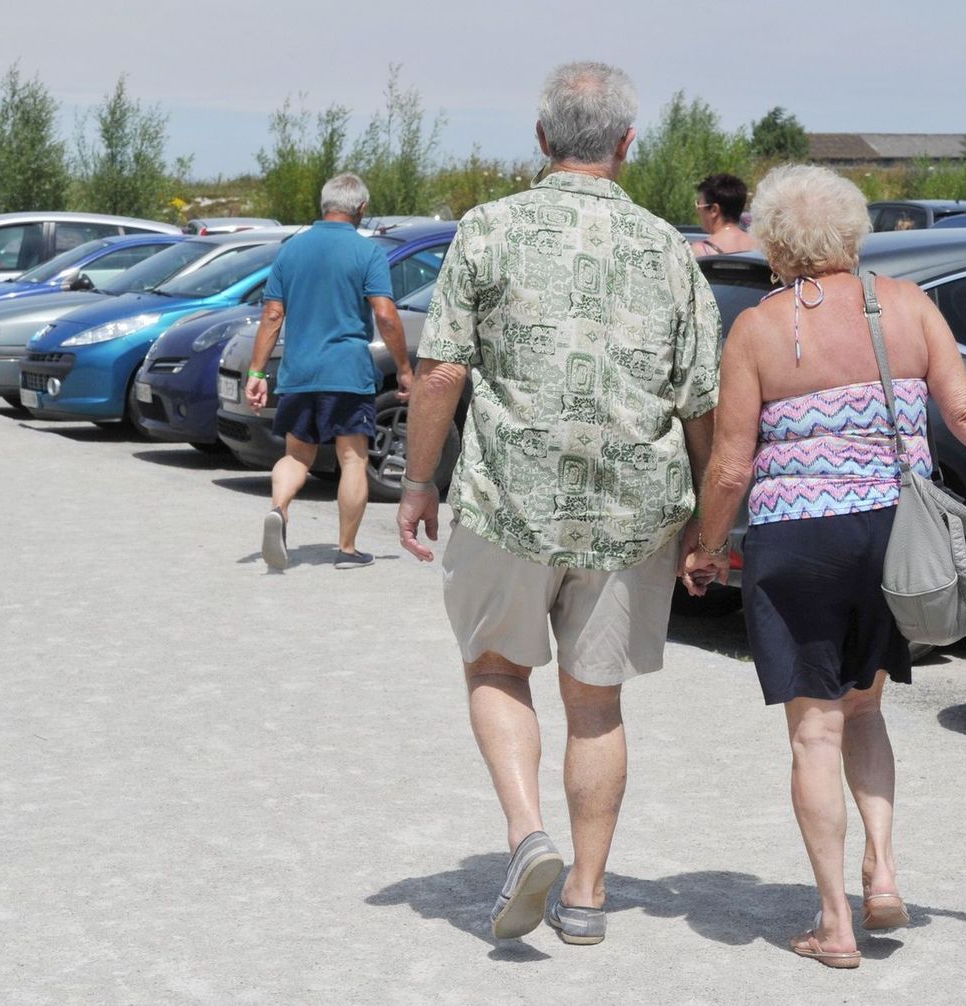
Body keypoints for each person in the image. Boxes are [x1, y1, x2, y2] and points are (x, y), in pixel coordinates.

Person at [396, 62, 722, 945]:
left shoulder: (487, 230)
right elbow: (701, 403)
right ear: (626, 144)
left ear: (542, 140)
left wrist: (419, 480)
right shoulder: (669, 248)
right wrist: (708, 525)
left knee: (498, 668)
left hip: (508, 498)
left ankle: (524, 832)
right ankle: (584, 894)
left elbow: (442, 372)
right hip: (631, 516)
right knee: (597, 704)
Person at [684, 164, 966, 969]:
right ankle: (883, 869)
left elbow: (732, 468)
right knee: (866, 712)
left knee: (814, 735)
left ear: (774, 241)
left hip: (796, 545)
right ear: (853, 233)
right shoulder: (907, 308)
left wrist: (705, 549)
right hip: (891, 536)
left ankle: (835, 924)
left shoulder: (759, 331)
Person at [245, 173, 413, 570]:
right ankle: (348, 550)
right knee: (353, 459)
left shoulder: (291, 250)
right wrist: (404, 368)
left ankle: (279, 509)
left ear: (323, 205)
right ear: (361, 209)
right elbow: (385, 314)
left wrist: (256, 373)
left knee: (296, 455)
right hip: (347, 372)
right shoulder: (367, 253)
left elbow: (272, 314)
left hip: (299, 371)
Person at [691, 174, 758, 256]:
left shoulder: (700, 251)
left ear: (714, 210)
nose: (697, 211)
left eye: (698, 205)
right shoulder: (761, 248)